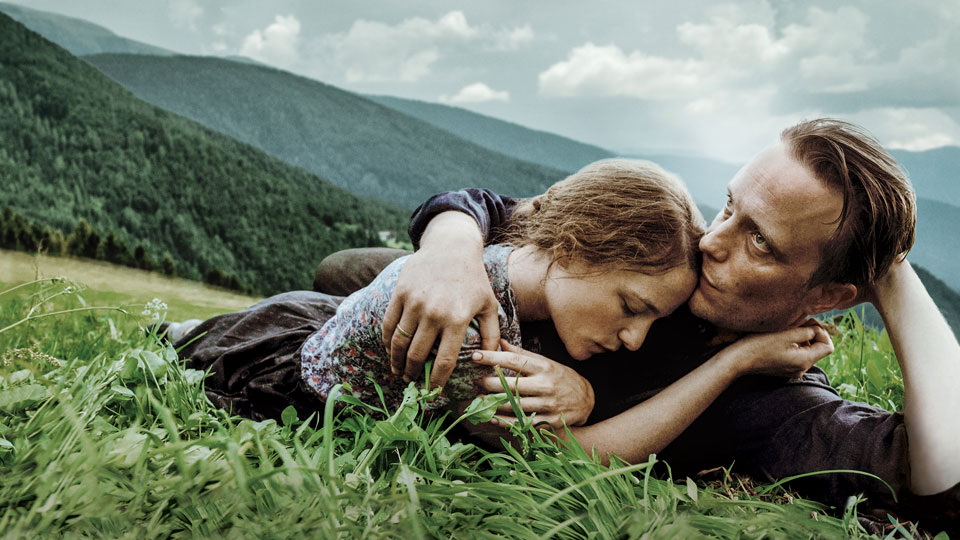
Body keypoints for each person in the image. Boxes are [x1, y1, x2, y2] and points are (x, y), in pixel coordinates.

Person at [315, 119, 960, 532]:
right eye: (730, 205)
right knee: (342, 270)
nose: (713, 242)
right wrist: (449, 254)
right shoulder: (678, 264)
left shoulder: (779, 400)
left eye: (759, 243)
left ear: (829, 294)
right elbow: (493, 207)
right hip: (477, 302)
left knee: (318, 297)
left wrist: (893, 274)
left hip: (459, 392)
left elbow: (945, 480)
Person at [174, 159, 831, 462]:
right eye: (631, 307)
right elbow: (574, 459)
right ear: (574, 247)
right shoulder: (473, 332)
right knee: (187, 347)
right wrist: (736, 362)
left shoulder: (518, 271)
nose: (634, 338)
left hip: (308, 324)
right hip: (270, 363)